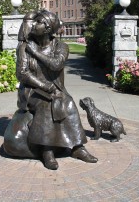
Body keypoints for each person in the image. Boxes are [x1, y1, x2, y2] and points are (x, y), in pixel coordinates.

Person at [16, 10, 98, 170]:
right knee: (47, 103)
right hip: (32, 91)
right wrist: (44, 85)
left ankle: (77, 148)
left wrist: (36, 53)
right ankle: (47, 151)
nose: (34, 25)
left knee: (68, 103)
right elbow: (22, 73)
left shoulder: (61, 46)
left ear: (47, 28)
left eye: (38, 22)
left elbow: (56, 64)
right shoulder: (25, 47)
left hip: (57, 89)